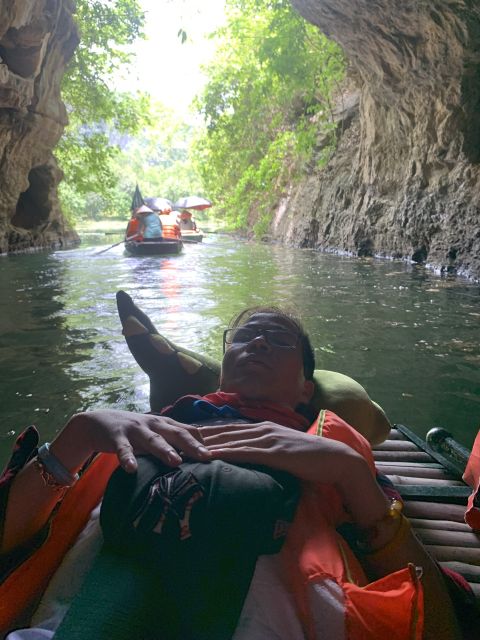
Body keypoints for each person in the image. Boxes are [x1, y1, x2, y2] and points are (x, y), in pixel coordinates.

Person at [0, 307, 465, 639]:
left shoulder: (329, 443)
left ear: (307, 389)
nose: (258, 342)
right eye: (244, 337)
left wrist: (350, 473)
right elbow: (10, 543)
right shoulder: (153, 424)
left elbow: (439, 624)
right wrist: (76, 437)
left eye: (279, 340)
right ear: (222, 372)